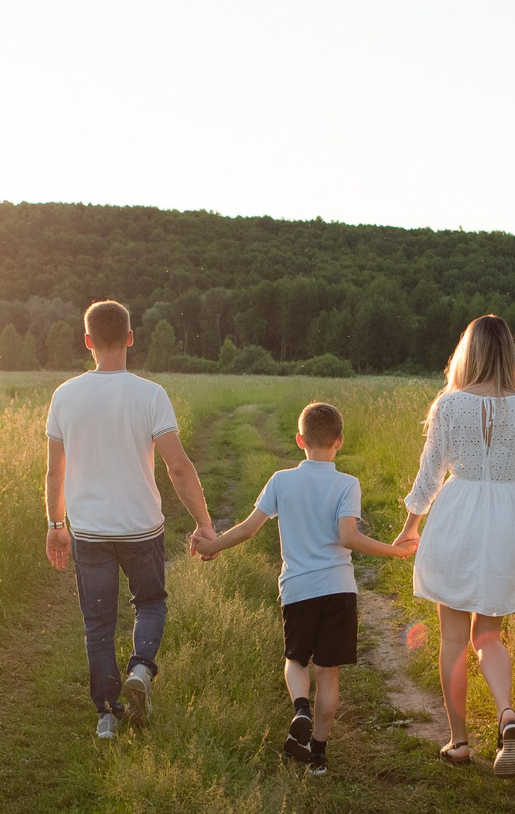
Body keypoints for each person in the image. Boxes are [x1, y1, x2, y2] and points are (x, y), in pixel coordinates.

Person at [190, 401, 415, 776]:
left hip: (298, 589)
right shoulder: (347, 484)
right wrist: (395, 551)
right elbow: (348, 536)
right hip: (339, 590)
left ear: (299, 440)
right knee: (329, 673)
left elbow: (248, 529)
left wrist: (211, 546)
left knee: (296, 661)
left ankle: (300, 710)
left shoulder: (281, 480)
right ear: (339, 441)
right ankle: (319, 756)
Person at [44, 300, 217, 740]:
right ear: (130, 337)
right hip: (142, 527)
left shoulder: (64, 395)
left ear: (87, 343)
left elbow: (55, 471)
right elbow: (178, 467)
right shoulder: (150, 395)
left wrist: (55, 526)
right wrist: (204, 523)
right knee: (151, 603)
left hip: (89, 532)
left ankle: (107, 714)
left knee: (98, 621)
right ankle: (140, 668)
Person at [397, 314, 515, 776]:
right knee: (488, 635)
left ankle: (460, 742)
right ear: (510, 352)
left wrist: (411, 527)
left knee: (452, 637)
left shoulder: (450, 405)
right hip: (505, 521)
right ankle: (507, 715)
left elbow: (429, 476)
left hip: (457, 517)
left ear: (468, 351)